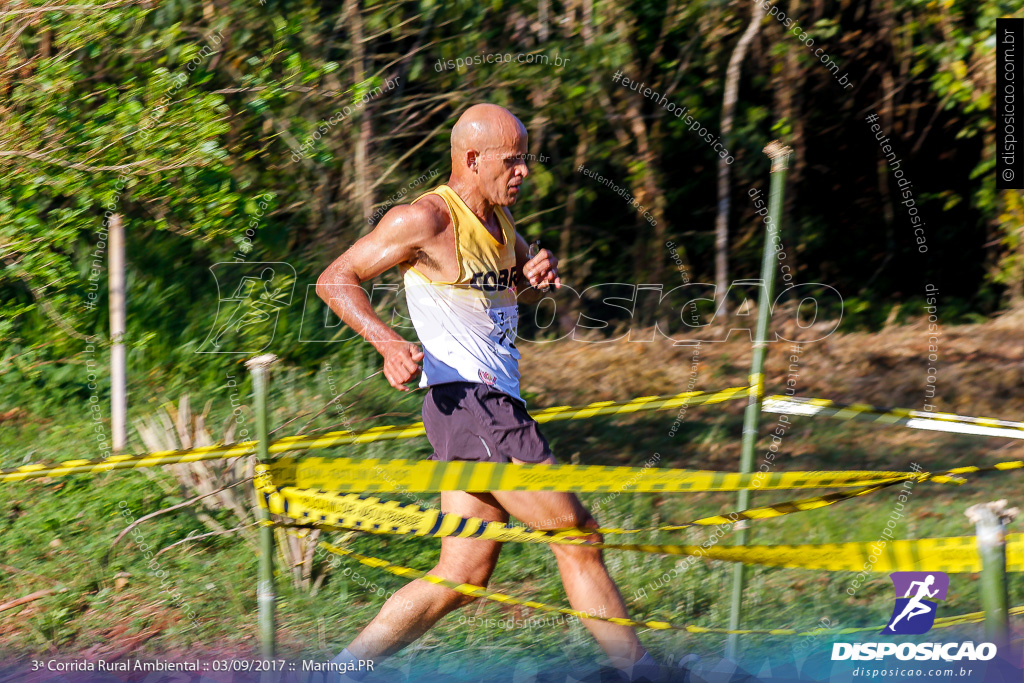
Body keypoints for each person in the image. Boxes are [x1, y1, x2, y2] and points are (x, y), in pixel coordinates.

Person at [315, 103, 669, 682]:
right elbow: (336, 277)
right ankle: (641, 673)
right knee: (576, 534)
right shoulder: (424, 219)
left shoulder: (504, 224)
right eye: (512, 160)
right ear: (472, 159)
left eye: (525, 159)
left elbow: (506, 299)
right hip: (474, 404)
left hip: (478, 409)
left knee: (462, 575)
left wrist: (533, 279)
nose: (523, 171)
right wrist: (386, 343)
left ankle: (337, 673)